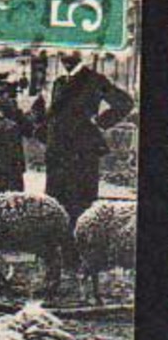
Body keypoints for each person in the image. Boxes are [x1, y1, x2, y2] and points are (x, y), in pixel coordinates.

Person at [39, 52, 135, 224]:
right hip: (58, 153)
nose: (65, 58)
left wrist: (100, 121)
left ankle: (78, 246)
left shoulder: (94, 80)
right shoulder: (59, 82)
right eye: (63, 54)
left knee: (80, 205)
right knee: (55, 204)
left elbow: (125, 102)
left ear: (80, 55)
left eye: (71, 53)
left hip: (82, 153)